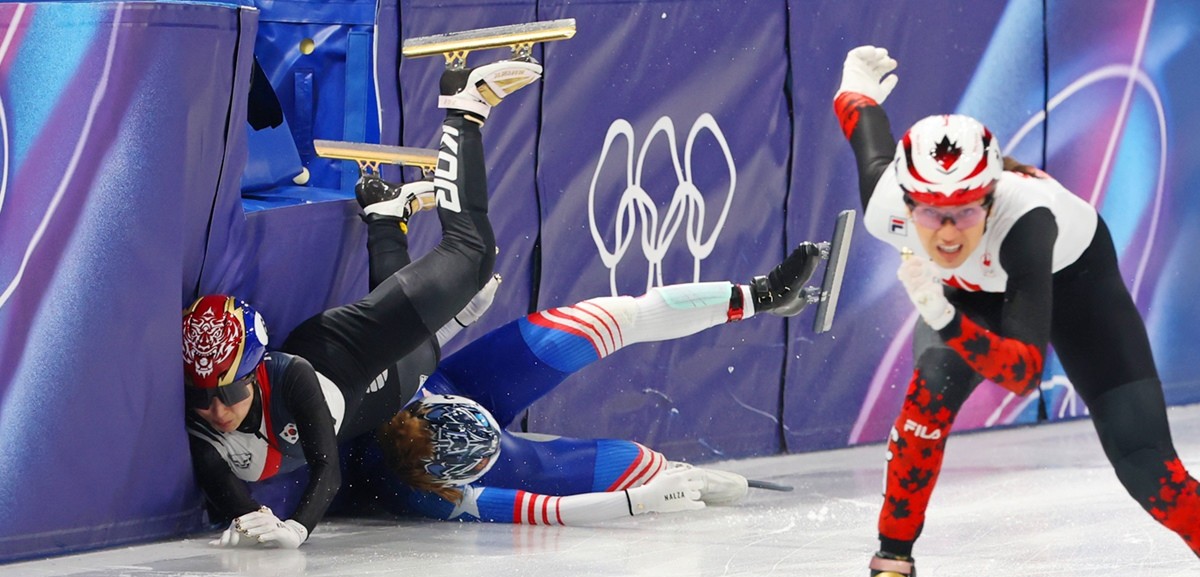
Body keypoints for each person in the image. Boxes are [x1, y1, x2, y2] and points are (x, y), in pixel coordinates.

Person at [832, 45, 1200, 577]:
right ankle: (891, 566)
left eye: (966, 211)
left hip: (1074, 287)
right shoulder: (887, 206)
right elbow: (866, 134)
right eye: (929, 212)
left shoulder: (1028, 219)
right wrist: (853, 92)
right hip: (969, 297)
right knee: (924, 405)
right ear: (906, 202)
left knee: (1147, 467)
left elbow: (1023, 373)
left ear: (992, 195)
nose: (947, 233)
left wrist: (943, 317)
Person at [181, 57, 543, 549]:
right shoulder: (206, 433)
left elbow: (326, 469)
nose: (216, 410)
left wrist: (296, 528)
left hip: (341, 353)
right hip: (381, 387)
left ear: (254, 371)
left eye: (226, 393)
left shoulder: (290, 375)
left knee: (472, 256)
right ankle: (386, 217)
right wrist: (251, 519)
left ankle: (464, 107)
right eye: (201, 397)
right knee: (418, 352)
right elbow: (228, 494)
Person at [333, 241, 826, 524]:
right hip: (454, 422)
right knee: (639, 465)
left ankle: (760, 296)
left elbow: (395, 328)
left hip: (453, 382)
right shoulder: (440, 497)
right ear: (459, 477)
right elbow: (552, 511)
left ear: (428, 405)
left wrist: (455, 322)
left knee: (602, 323)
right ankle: (674, 471)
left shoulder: (396, 392)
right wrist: (640, 499)